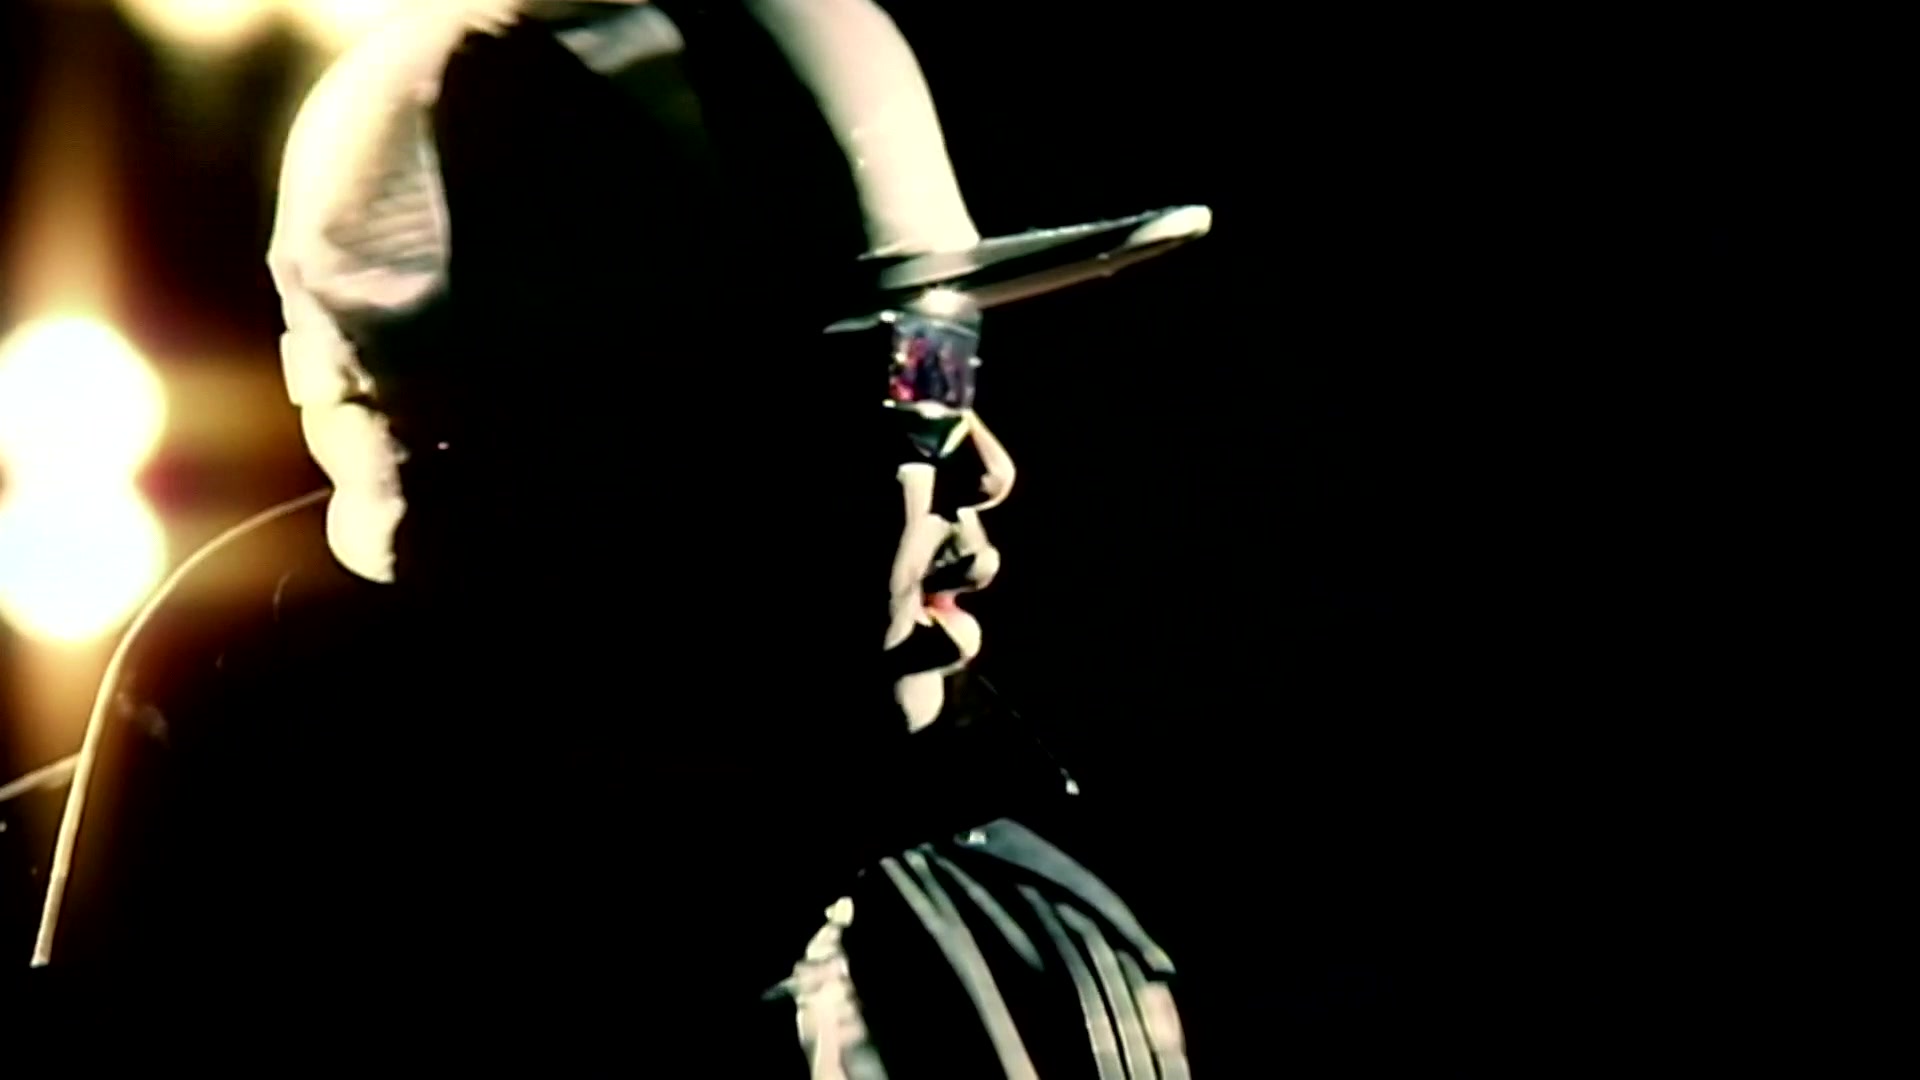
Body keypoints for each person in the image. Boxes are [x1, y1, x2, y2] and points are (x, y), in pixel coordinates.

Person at [27, 1, 1211, 1071]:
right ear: (597, 454)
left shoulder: (1050, 966)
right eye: (900, 369)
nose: (985, 467)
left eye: (952, 355)